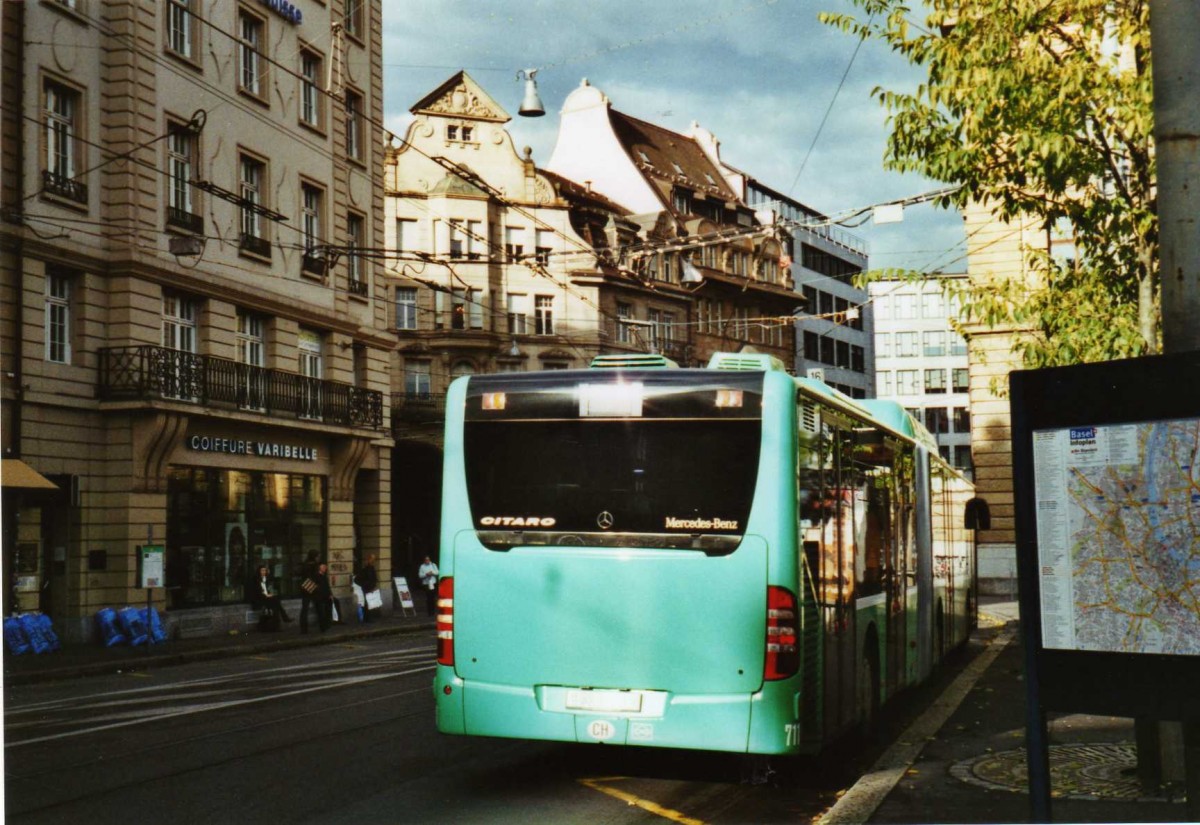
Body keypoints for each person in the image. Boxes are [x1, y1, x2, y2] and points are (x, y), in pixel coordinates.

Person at [298, 550, 320, 634]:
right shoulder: (314, 565)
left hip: (305, 587)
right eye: (318, 556)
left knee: (305, 608)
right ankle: (323, 624)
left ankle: (303, 628)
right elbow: (316, 577)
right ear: (315, 557)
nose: (318, 558)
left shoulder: (305, 564)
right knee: (319, 606)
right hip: (313, 587)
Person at [355, 554, 380, 622]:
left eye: (374, 559)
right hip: (366, 588)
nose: (373, 561)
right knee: (367, 603)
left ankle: (369, 618)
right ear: (369, 560)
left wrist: (374, 584)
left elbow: (374, 578)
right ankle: (366, 618)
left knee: (371, 603)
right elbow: (357, 579)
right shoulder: (365, 569)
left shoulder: (372, 568)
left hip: (371, 588)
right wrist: (364, 584)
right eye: (372, 559)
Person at [313, 561, 334, 632]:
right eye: (323, 567)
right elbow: (314, 587)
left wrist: (330, 594)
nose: (325, 568)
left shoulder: (324, 576)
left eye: (325, 567)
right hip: (319, 597)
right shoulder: (316, 576)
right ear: (319, 568)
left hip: (326, 596)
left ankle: (327, 625)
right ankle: (323, 627)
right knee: (321, 612)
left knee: (327, 611)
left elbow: (327, 586)